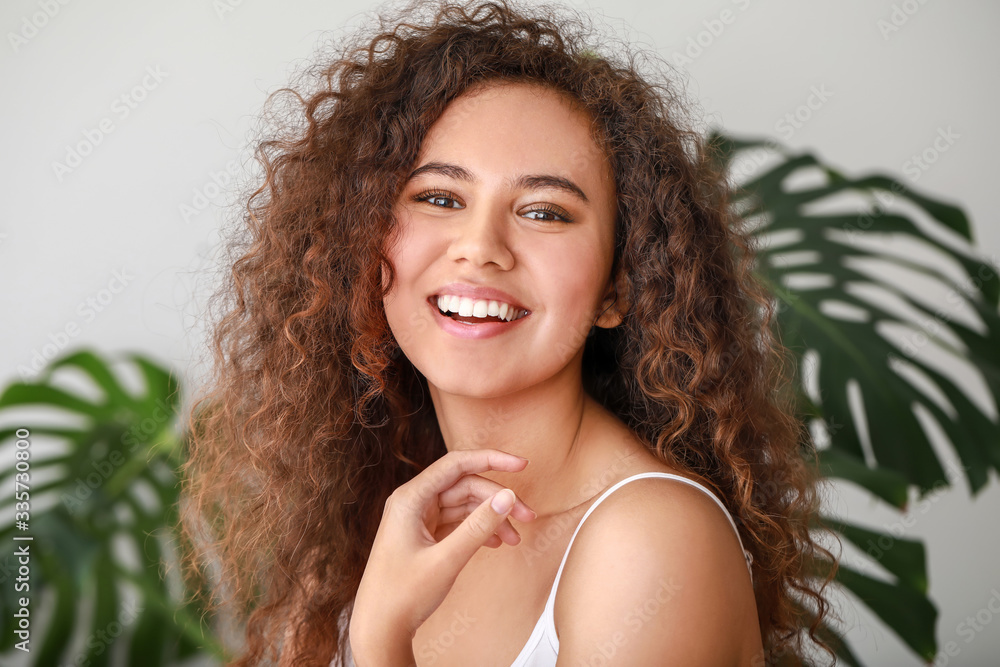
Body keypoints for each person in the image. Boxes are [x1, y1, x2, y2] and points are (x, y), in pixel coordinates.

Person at [179, 0, 840, 665]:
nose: (480, 247)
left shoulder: (650, 543)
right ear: (361, 238)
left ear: (620, 287)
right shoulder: (395, 515)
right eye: (439, 198)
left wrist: (381, 640)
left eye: (545, 211)